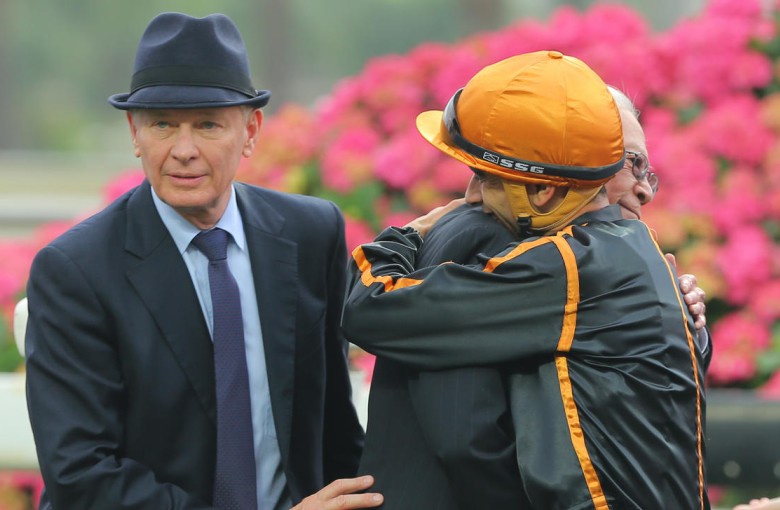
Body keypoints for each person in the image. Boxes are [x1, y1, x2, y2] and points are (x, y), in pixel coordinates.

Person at [24, 12, 381, 510]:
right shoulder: (76, 270)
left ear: (251, 131)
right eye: (162, 125)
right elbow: (81, 475)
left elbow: (335, 430)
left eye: (208, 124)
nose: (183, 150)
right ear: (135, 132)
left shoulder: (310, 234)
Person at [343, 50, 709, 509]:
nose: (472, 194)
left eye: (486, 177)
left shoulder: (563, 261)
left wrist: (411, 231)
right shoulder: (636, 249)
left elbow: (371, 307)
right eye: (629, 163)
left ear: (543, 190)